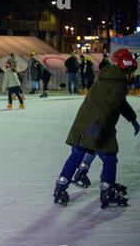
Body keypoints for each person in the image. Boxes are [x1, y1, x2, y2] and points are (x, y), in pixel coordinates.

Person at [53, 48, 139, 208]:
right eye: (132, 69)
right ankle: (107, 191)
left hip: (82, 122)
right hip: (98, 125)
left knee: (77, 155)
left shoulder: (106, 76)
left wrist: (132, 118)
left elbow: (119, 102)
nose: (132, 73)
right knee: (109, 157)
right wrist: (98, 126)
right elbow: (109, 106)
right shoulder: (119, 84)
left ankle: (60, 188)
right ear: (127, 68)